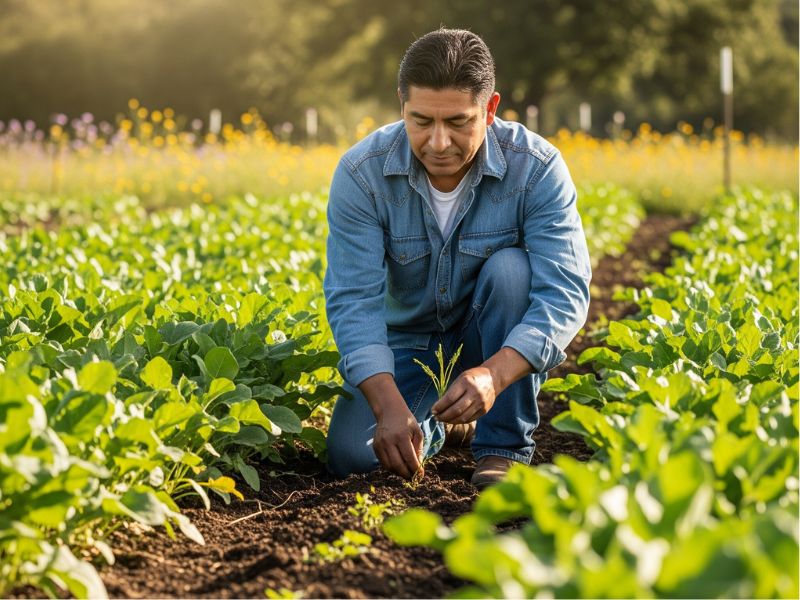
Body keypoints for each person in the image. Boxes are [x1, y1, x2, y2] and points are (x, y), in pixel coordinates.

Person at [323, 28, 591, 489]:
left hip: (492, 339)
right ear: (402, 106)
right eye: (421, 121)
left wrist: (492, 374)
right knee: (355, 457)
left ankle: (502, 447)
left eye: (459, 122)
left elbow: (565, 293)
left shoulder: (535, 167)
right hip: (409, 343)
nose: (438, 142)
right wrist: (389, 407)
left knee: (513, 271)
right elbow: (353, 301)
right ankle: (438, 421)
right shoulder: (362, 173)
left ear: (489, 110)